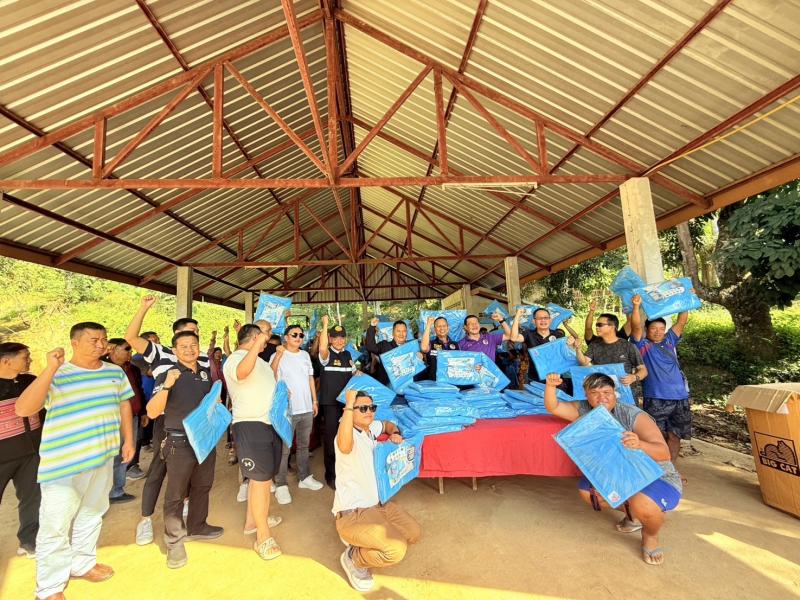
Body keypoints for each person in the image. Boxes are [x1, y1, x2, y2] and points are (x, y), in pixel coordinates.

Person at [16, 322, 134, 600]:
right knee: (55, 524)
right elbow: (24, 408)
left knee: (92, 512)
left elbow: (124, 404)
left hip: (103, 456)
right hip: (65, 462)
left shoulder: (114, 372)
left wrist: (128, 440)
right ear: (75, 343)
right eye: (94, 340)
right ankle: (49, 587)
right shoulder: (58, 373)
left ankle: (82, 563)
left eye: (103, 339)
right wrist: (50, 368)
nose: (101, 345)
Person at [543, 372, 681, 566]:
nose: (602, 398)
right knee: (588, 492)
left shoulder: (633, 415)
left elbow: (664, 454)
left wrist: (640, 444)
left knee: (643, 503)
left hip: (657, 475)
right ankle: (633, 516)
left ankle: (650, 534)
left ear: (615, 393)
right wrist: (550, 386)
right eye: (595, 393)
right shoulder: (584, 409)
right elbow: (554, 407)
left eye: (607, 392)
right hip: (618, 472)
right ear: (586, 395)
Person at [125, 296, 207, 546]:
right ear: (176, 337)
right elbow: (131, 337)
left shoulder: (202, 358)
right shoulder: (161, 353)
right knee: (158, 470)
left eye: (195, 334)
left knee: (191, 470)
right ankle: (146, 519)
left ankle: (183, 509)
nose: (192, 340)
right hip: (166, 421)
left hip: (194, 423)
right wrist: (143, 308)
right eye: (187, 333)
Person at [146, 330, 223, 569]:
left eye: (193, 345)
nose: (190, 350)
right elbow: (152, 411)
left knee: (202, 485)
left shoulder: (204, 373)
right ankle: (174, 541)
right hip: (179, 442)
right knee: (176, 495)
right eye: (184, 346)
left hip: (205, 440)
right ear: (174, 350)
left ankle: (198, 525)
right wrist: (167, 386)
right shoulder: (169, 374)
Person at [334, 389, 421, 592]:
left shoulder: (370, 428)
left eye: (372, 407)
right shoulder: (345, 434)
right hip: (353, 514)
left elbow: (388, 425)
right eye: (363, 408)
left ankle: (364, 539)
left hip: (379, 506)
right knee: (396, 550)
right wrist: (348, 403)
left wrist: (395, 433)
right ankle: (354, 558)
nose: (369, 412)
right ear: (350, 411)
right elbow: (344, 445)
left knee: (414, 534)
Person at [223, 324, 284, 560]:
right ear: (255, 337)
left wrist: (277, 359)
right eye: (264, 337)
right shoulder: (236, 359)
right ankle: (263, 537)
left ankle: (253, 521)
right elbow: (242, 373)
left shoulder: (259, 361)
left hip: (269, 423)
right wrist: (258, 343)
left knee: (264, 479)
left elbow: (269, 378)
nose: (266, 341)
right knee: (260, 480)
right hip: (251, 425)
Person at [630, 294, 692, 464]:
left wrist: (687, 297)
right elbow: (635, 326)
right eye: (653, 329)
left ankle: (671, 470)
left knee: (675, 435)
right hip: (656, 397)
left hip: (680, 397)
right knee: (655, 435)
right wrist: (636, 307)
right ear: (647, 330)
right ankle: (656, 469)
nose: (658, 332)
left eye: (661, 328)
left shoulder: (670, 340)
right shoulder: (642, 345)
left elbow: (681, 322)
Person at [270, 324, 322, 504]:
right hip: (287, 410)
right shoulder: (278, 354)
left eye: (301, 335)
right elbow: (271, 374)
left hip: (306, 407)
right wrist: (278, 355)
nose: (299, 338)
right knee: (284, 449)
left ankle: (304, 477)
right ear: (286, 337)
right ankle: (281, 483)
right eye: (294, 334)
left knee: (304, 446)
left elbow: (310, 378)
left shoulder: (305, 355)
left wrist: (314, 401)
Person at [0, 342, 42, 559]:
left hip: (30, 453)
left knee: (32, 498)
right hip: (2, 456)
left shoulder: (30, 381)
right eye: (25, 357)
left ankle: (29, 541)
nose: (29, 360)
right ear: (6, 361)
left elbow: (42, 412)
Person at [317, 315, 356, 489]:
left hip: (347, 405)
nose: (339, 340)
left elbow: (355, 374)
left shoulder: (348, 355)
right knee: (331, 439)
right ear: (330, 339)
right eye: (335, 337)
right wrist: (325, 325)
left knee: (348, 436)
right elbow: (322, 347)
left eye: (342, 337)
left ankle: (346, 472)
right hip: (331, 404)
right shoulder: (325, 355)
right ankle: (331, 475)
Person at [105, 338, 145, 503]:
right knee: (110, 456)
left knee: (125, 454)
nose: (130, 353)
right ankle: (104, 493)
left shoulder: (133, 369)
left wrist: (142, 412)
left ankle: (116, 491)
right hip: (112, 419)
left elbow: (138, 390)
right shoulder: (103, 369)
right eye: (126, 349)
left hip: (132, 417)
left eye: (130, 350)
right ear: (113, 349)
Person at [575, 312, 648, 402]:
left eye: (600, 325)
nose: (597, 327)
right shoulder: (594, 345)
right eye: (596, 325)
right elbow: (584, 362)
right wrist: (577, 349)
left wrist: (634, 377)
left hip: (626, 395)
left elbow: (643, 370)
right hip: (602, 397)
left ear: (612, 327)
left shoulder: (628, 346)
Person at [510, 307, 580, 388]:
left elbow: (568, 355)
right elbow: (514, 338)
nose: (543, 320)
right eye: (539, 318)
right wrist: (518, 315)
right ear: (534, 321)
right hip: (535, 380)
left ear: (550, 320)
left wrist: (571, 344)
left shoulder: (558, 335)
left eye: (546, 318)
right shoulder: (528, 334)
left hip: (556, 379)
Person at [364, 319, 408, 385]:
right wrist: (372, 327)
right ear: (393, 333)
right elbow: (371, 347)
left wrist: (420, 358)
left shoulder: (412, 347)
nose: (401, 334)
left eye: (404, 331)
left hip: (407, 387)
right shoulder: (384, 345)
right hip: (387, 386)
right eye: (398, 331)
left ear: (407, 333)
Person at [419, 316, 458, 381]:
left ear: (448, 327)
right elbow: (423, 348)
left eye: (444, 325)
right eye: (439, 326)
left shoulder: (456, 345)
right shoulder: (431, 344)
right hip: (435, 383)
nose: (442, 328)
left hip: (452, 382)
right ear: (435, 329)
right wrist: (428, 325)